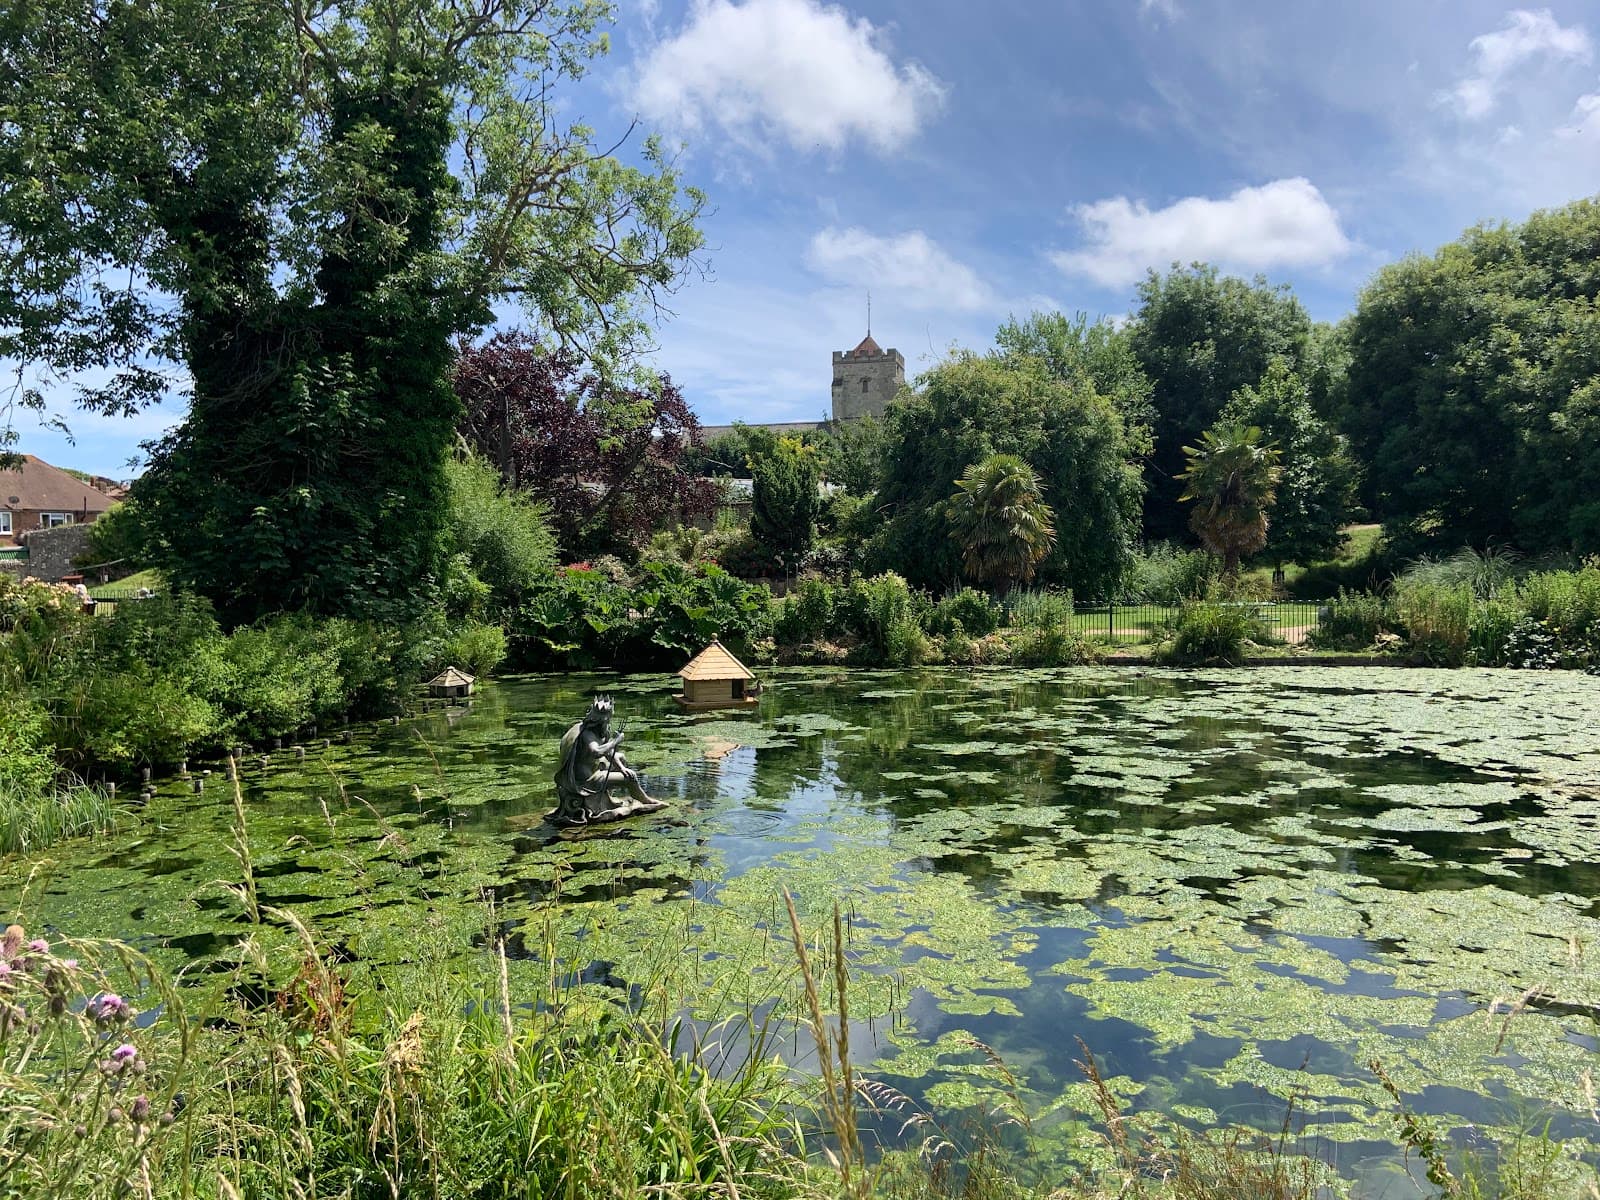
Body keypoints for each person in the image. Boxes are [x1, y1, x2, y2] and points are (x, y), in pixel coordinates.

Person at [549, 695, 666, 826]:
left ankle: (607, 798)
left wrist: (623, 769)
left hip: (594, 770)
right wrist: (616, 741)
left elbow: (610, 753)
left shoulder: (597, 730)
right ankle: (646, 801)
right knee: (630, 779)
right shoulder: (588, 734)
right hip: (587, 781)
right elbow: (596, 751)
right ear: (602, 719)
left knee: (621, 758)